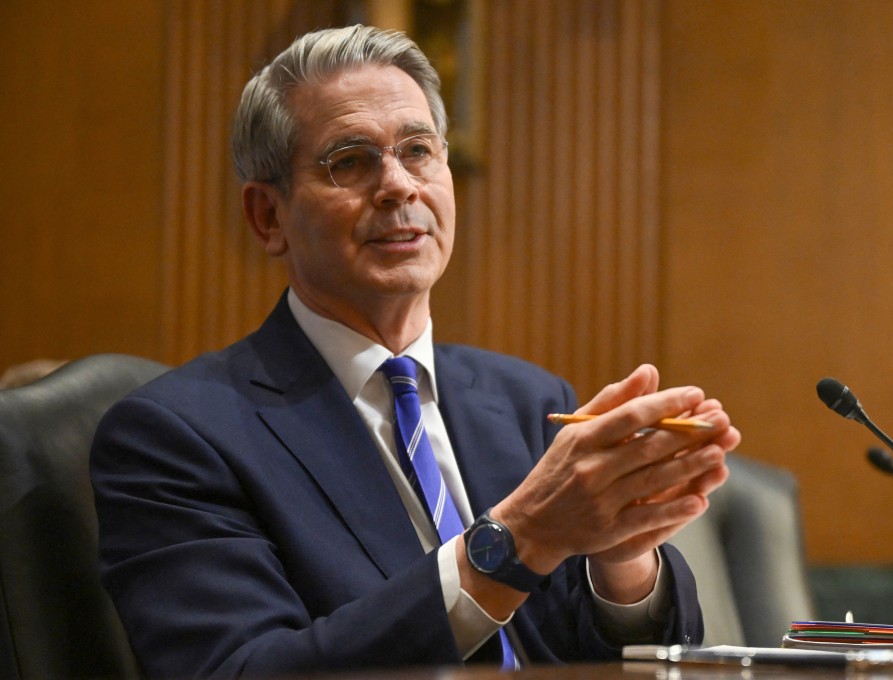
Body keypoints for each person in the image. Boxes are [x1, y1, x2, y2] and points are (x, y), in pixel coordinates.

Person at [90, 25, 740, 678]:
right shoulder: (175, 437)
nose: (399, 186)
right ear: (268, 217)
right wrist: (520, 540)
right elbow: (243, 671)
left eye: (419, 151)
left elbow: (609, 654)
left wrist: (621, 560)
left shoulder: (530, 402)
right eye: (349, 161)